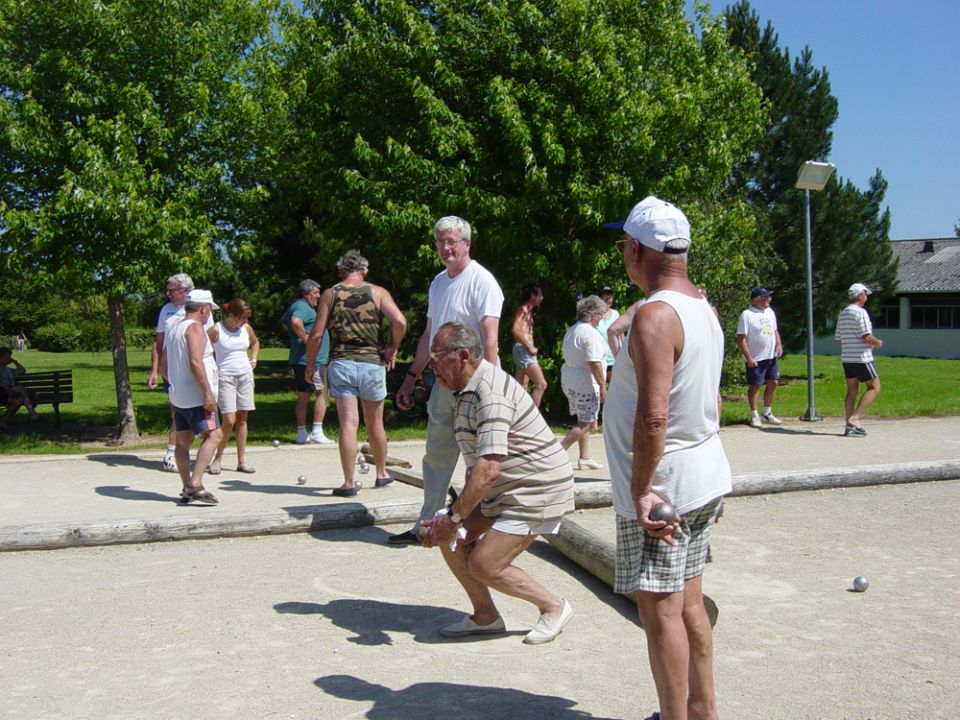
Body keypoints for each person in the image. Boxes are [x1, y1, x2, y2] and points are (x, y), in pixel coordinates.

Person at [603, 196, 731, 720]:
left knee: (661, 615)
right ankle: (702, 712)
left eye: (623, 244)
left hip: (664, 487)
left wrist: (640, 490)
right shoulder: (702, 307)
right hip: (701, 473)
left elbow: (654, 417)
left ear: (636, 248)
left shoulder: (657, 317)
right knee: (690, 604)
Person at [421, 322, 575, 644]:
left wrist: (454, 518)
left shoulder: (489, 392)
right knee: (448, 538)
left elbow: (489, 468)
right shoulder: (464, 390)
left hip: (536, 487)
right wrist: (449, 521)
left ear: (462, 356)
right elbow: (477, 465)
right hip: (504, 489)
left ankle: (553, 606)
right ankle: (485, 617)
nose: (430, 364)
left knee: (484, 563)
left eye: (436, 357)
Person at [390, 215, 505, 545]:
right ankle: (425, 526)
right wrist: (411, 377)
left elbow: (490, 336)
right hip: (443, 382)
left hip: (474, 382)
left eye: (452, 241)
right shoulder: (438, 282)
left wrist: (492, 385)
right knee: (437, 454)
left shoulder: (483, 282)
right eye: (440, 241)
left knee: (479, 458)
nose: (445, 247)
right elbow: (429, 333)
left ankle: (483, 527)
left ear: (467, 244)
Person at [306, 250, 407, 496]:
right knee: (375, 423)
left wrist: (310, 366)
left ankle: (349, 482)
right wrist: (392, 347)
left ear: (341, 271)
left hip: (342, 363)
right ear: (365, 271)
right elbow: (400, 322)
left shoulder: (331, 293)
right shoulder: (378, 292)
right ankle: (382, 473)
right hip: (373, 363)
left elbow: (317, 334)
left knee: (349, 425)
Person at [161, 289, 223, 504]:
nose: (209, 316)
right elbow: (196, 361)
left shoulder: (175, 328)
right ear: (203, 309)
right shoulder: (195, 328)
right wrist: (207, 393)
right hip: (196, 396)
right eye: (208, 311)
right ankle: (196, 483)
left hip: (179, 395)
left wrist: (175, 384)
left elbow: (163, 365)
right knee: (215, 435)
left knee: (183, 440)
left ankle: (186, 485)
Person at [147, 273, 197, 471]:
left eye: (172, 290)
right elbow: (158, 343)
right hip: (172, 370)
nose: (168, 294)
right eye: (168, 290)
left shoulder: (199, 307)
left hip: (195, 368)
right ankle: (171, 453)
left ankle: (197, 454)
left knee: (200, 411)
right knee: (177, 412)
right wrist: (154, 371)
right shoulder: (166, 310)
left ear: (185, 291)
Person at [208, 298, 260, 474]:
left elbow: (255, 342)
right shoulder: (216, 330)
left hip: (245, 375)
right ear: (231, 315)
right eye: (242, 318)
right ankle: (217, 458)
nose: (245, 322)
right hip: (226, 377)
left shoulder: (245, 329)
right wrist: (212, 370)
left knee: (242, 419)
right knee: (228, 420)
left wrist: (253, 358)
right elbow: (204, 352)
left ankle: (241, 461)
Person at [559, 295, 608, 470]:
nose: (602, 317)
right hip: (585, 382)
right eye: (601, 314)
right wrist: (603, 385)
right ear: (595, 314)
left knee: (583, 418)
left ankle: (585, 456)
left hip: (570, 380)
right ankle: (558, 451)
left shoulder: (573, 329)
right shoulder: (590, 333)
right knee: (588, 423)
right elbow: (593, 362)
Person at [282, 279, 334, 445]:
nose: (318, 296)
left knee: (305, 395)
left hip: (304, 358)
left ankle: (302, 433)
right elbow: (295, 322)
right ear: (306, 293)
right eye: (315, 293)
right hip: (310, 359)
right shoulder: (301, 306)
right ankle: (317, 431)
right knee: (321, 393)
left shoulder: (298, 305)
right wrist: (306, 339)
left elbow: (284, 322)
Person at [835, 282, 884, 437]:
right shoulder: (860, 312)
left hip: (848, 357)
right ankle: (855, 418)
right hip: (862, 358)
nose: (866, 297)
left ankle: (849, 426)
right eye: (866, 294)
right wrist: (878, 343)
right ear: (861, 295)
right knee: (874, 387)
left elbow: (838, 339)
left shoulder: (843, 313)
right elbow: (866, 336)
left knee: (852, 391)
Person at [735, 287, 784, 428]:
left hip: (770, 356)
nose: (768, 300)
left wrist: (778, 344)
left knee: (773, 382)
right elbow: (741, 338)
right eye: (765, 298)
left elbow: (775, 330)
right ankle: (754, 414)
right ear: (757, 300)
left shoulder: (770, 312)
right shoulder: (747, 315)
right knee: (755, 385)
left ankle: (767, 412)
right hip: (756, 357)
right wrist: (749, 357)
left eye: (769, 298)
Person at [510, 283, 548, 407]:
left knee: (521, 388)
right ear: (533, 296)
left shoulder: (529, 312)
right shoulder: (523, 310)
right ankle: (532, 418)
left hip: (523, 350)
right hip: (523, 350)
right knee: (541, 384)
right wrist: (529, 346)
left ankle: (517, 419)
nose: (542, 298)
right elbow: (515, 330)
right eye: (540, 295)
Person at [0, 347, 41, 432]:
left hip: (9, 394)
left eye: (10, 357)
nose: (9, 359)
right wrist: (9, 388)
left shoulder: (8, 370)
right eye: (7, 357)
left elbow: (23, 370)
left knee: (19, 400)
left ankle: (3, 423)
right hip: (2, 393)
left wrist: (15, 362)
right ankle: (32, 413)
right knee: (22, 389)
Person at [596, 286, 621, 382]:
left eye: (610, 297)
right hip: (601, 359)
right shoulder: (594, 316)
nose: (608, 299)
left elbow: (621, 334)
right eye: (605, 297)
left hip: (615, 359)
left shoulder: (616, 313)